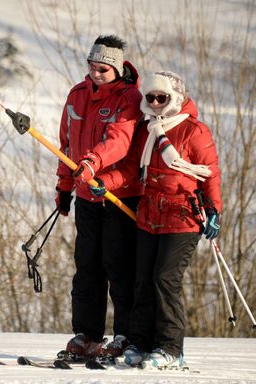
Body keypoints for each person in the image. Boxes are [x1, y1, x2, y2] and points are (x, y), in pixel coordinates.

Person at [88, 71, 222, 368]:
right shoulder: (146, 131)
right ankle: (140, 343)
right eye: (150, 98)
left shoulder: (194, 131)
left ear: (175, 97)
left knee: (165, 279)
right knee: (142, 281)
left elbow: (210, 173)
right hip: (149, 215)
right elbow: (131, 171)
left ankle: (170, 349)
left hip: (182, 216)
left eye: (162, 97)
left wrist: (214, 210)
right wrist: (106, 182)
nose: (156, 103)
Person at [54, 34, 143, 359]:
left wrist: (93, 163)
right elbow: (66, 145)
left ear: (117, 69)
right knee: (87, 268)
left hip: (119, 196)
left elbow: (119, 140)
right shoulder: (76, 95)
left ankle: (124, 336)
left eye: (102, 69)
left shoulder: (129, 98)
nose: (95, 73)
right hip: (86, 199)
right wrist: (64, 186)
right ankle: (87, 336)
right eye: (91, 67)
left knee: (118, 267)